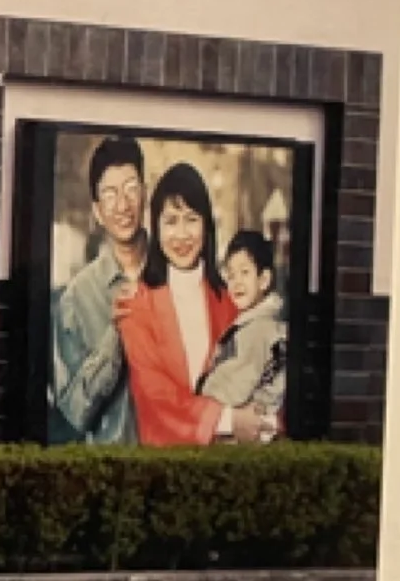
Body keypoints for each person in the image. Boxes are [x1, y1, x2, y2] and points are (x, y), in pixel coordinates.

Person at [118, 162, 275, 443]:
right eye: (170, 221)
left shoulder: (230, 302)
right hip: (163, 464)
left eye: (191, 219)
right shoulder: (136, 307)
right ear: (155, 227)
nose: (181, 235)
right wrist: (228, 420)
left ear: (207, 226)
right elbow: (156, 400)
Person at [48, 134, 150, 443]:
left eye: (132, 189)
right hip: (111, 468)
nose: (123, 205)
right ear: (96, 210)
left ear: (146, 193)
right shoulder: (76, 297)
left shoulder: (177, 274)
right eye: (110, 194)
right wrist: (115, 337)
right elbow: (74, 412)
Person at [201, 228, 289, 430]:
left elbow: (233, 388)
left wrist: (200, 402)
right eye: (231, 275)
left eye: (244, 272)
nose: (236, 282)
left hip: (250, 428)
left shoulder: (257, 330)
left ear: (264, 280)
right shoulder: (264, 324)